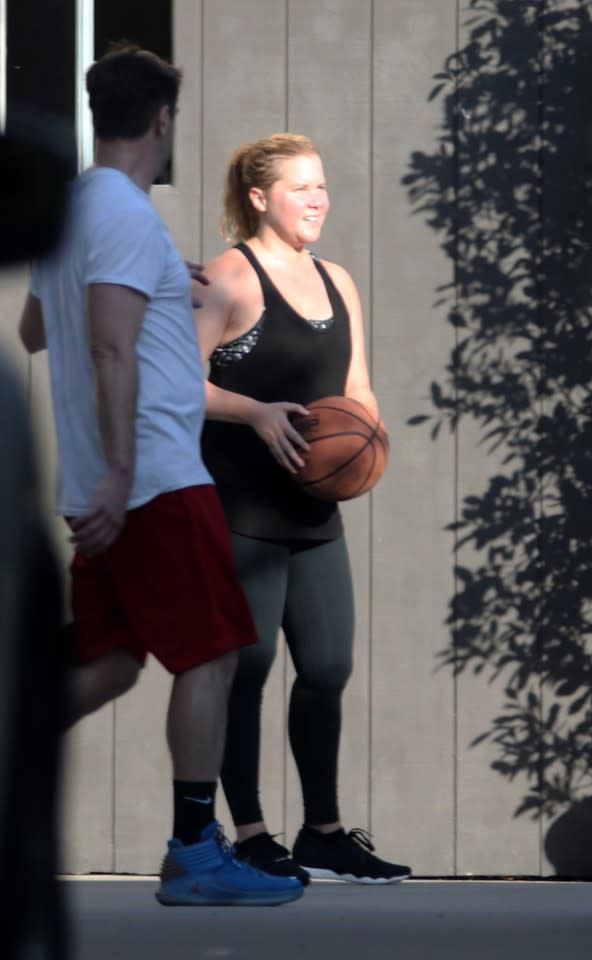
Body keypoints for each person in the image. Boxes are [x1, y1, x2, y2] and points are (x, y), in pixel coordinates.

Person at [18, 46, 303, 908]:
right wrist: (118, 478)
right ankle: (194, 852)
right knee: (213, 651)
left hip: (112, 479)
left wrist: (154, 287)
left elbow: (40, 328)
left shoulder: (74, 210)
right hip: (149, 481)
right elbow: (106, 344)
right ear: (161, 121)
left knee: (106, 662)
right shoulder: (126, 218)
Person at [196, 133, 411, 885]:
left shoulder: (338, 281)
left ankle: (323, 831)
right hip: (241, 508)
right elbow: (178, 385)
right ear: (259, 198)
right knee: (245, 671)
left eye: (322, 186)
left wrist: (369, 440)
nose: (318, 199)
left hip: (314, 513)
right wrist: (255, 413)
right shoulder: (227, 279)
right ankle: (251, 834)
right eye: (301, 188)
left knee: (326, 667)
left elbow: (357, 387)